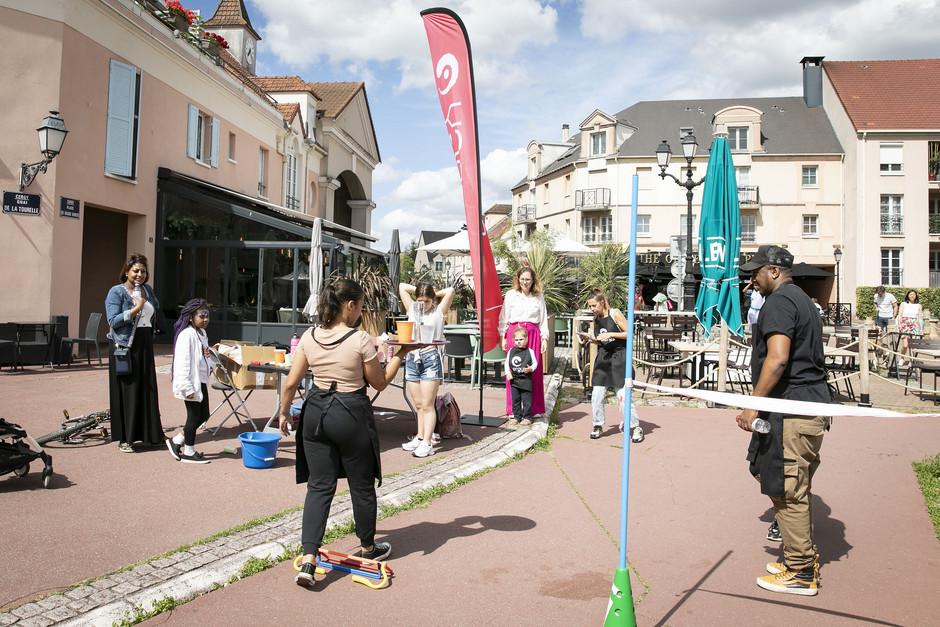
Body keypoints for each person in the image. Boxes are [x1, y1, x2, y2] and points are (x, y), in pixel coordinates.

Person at [278, 279, 414, 587]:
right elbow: (379, 383)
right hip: (350, 413)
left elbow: (290, 384)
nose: (361, 312)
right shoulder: (361, 339)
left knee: (319, 486)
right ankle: (368, 547)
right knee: (361, 485)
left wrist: (285, 413)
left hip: (314, 414)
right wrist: (399, 355)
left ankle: (309, 560)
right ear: (349, 306)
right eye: (361, 306)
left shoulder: (310, 337)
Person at [738, 245, 830, 596]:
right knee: (797, 489)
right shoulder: (803, 299)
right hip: (810, 407)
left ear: (774, 271)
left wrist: (752, 406)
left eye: (756, 273)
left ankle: (801, 571)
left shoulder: (778, 303)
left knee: (787, 492)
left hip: (793, 410)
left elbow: (777, 360)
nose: (752, 281)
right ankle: (798, 557)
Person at [105, 253, 163, 453]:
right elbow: (112, 321)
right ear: (127, 271)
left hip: (145, 342)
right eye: (136, 271)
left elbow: (155, 311)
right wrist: (134, 310)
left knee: (147, 388)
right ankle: (126, 439)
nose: (140, 274)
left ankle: (151, 435)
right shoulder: (117, 292)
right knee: (129, 391)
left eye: (143, 271)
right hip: (126, 345)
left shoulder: (147, 290)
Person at [398, 282, 454, 457]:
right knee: (419, 404)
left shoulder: (438, 312)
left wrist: (432, 292)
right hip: (413, 358)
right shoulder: (412, 310)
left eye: (427, 301)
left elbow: (450, 291)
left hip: (430, 357)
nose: (422, 305)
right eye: (419, 301)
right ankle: (420, 437)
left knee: (428, 404)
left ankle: (428, 442)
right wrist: (418, 291)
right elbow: (401, 287)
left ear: (433, 300)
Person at [584, 289, 641, 442]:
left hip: (619, 356)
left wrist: (611, 334)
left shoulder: (615, 313)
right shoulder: (596, 318)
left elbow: (629, 332)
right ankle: (597, 425)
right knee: (597, 393)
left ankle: (635, 426)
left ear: (602, 302)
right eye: (590, 306)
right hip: (604, 356)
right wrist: (593, 339)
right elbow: (601, 338)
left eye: (594, 305)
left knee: (622, 394)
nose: (592, 309)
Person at [498, 268, 548, 422]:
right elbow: (504, 316)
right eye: (522, 279)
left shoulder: (538, 296)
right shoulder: (511, 295)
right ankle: (513, 410)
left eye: (528, 279)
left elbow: (543, 318)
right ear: (518, 279)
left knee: (534, 370)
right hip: (515, 332)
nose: (525, 282)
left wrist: (544, 338)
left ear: (533, 280)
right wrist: (502, 336)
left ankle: (533, 409)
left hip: (533, 334)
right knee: (513, 369)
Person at [167, 299, 212, 464]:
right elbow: (182, 362)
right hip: (191, 383)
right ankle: (188, 452)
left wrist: (211, 366)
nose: (206, 319)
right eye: (202, 316)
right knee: (193, 417)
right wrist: (186, 386)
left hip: (201, 381)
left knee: (204, 415)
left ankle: (176, 441)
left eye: (207, 315)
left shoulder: (202, 333)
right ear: (191, 317)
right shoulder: (186, 335)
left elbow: (205, 356)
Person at [505, 325, 538, 426]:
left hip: (526, 380)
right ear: (513, 340)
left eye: (521, 339)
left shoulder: (530, 351)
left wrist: (531, 369)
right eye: (516, 340)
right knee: (515, 400)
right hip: (514, 380)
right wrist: (508, 373)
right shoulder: (511, 351)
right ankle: (516, 417)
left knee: (527, 400)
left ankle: (527, 417)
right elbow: (506, 363)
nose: (519, 341)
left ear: (526, 339)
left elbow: (535, 363)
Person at [897, 289, 924, 366]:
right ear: (908, 296)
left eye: (914, 294)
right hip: (905, 323)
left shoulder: (918, 306)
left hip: (914, 324)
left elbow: (919, 318)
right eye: (911, 294)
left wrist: (921, 329)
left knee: (913, 345)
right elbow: (900, 315)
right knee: (905, 345)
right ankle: (902, 358)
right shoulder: (903, 304)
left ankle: (912, 360)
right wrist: (899, 324)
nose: (912, 296)